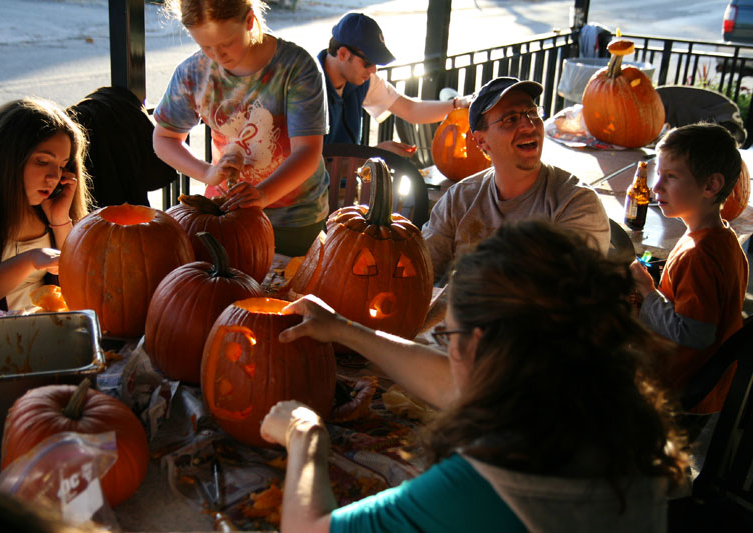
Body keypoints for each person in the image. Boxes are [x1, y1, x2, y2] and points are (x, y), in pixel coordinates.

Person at [262, 220, 688, 533]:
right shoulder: (602, 405)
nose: (448, 348)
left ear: (479, 345)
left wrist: (305, 435)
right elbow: (454, 383)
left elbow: (308, 529)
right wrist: (343, 329)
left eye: (449, 336)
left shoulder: (491, 484)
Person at [153, 0, 329, 257]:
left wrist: (263, 195)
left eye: (226, 43)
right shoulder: (192, 73)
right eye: (205, 46)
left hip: (294, 219)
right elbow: (164, 138)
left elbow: (308, 152)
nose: (217, 56)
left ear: (249, 21)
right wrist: (209, 173)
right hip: (224, 214)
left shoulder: (297, 67)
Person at [422, 76, 610, 283]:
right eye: (510, 119)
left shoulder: (575, 204)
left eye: (532, 113)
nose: (529, 126)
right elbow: (421, 274)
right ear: (481, 140)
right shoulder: (458, 200)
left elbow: (565, 301)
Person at [630, 123, 749, 414]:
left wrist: (647, 292)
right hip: (701, 384)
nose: (656, 187)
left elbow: (695, 335)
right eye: (659, 174)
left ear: (711, 186)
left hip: (676, 389)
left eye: (670, 177)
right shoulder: (725, 238)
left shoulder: (700, 255)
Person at [0, 97, 90, 314]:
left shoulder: (48, 204)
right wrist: (29, 260)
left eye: (62, 165)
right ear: (6, 157)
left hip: (46, 334)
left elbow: (81, 287)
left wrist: (60, 220)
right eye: (43, 161)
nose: (54, 177)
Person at [319, 12, 470, 158]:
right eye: (368, 62)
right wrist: (373, 154)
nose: (373, 70)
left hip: (347, 180)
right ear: (343, 54)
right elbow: (313, 164)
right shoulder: (308, 89)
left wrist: (458, 104)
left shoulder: (361, 81)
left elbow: (411, 109)